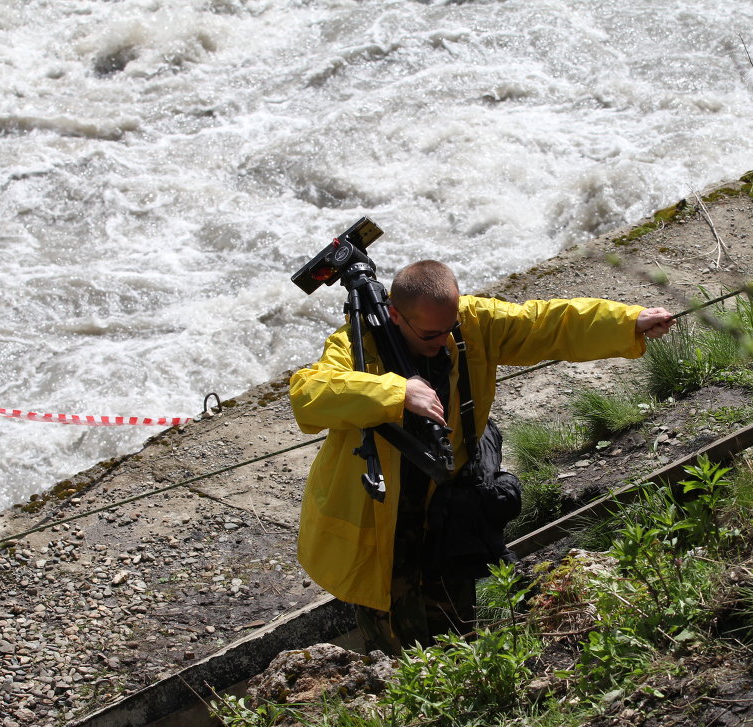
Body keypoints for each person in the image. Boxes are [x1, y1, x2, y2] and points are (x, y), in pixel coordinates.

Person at [289, 259, 675, 655]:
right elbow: (308, 394)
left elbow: (547, 323)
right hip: (379, 515)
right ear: (395, 315)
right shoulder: (356, 344)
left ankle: (462, 678)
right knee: (389, 630)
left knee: (455, 619)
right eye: (430, 334)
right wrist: (398, 393)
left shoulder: (473, 322)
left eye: (449, 328)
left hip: (446, 503)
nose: (443, 340)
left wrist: (629, 321)